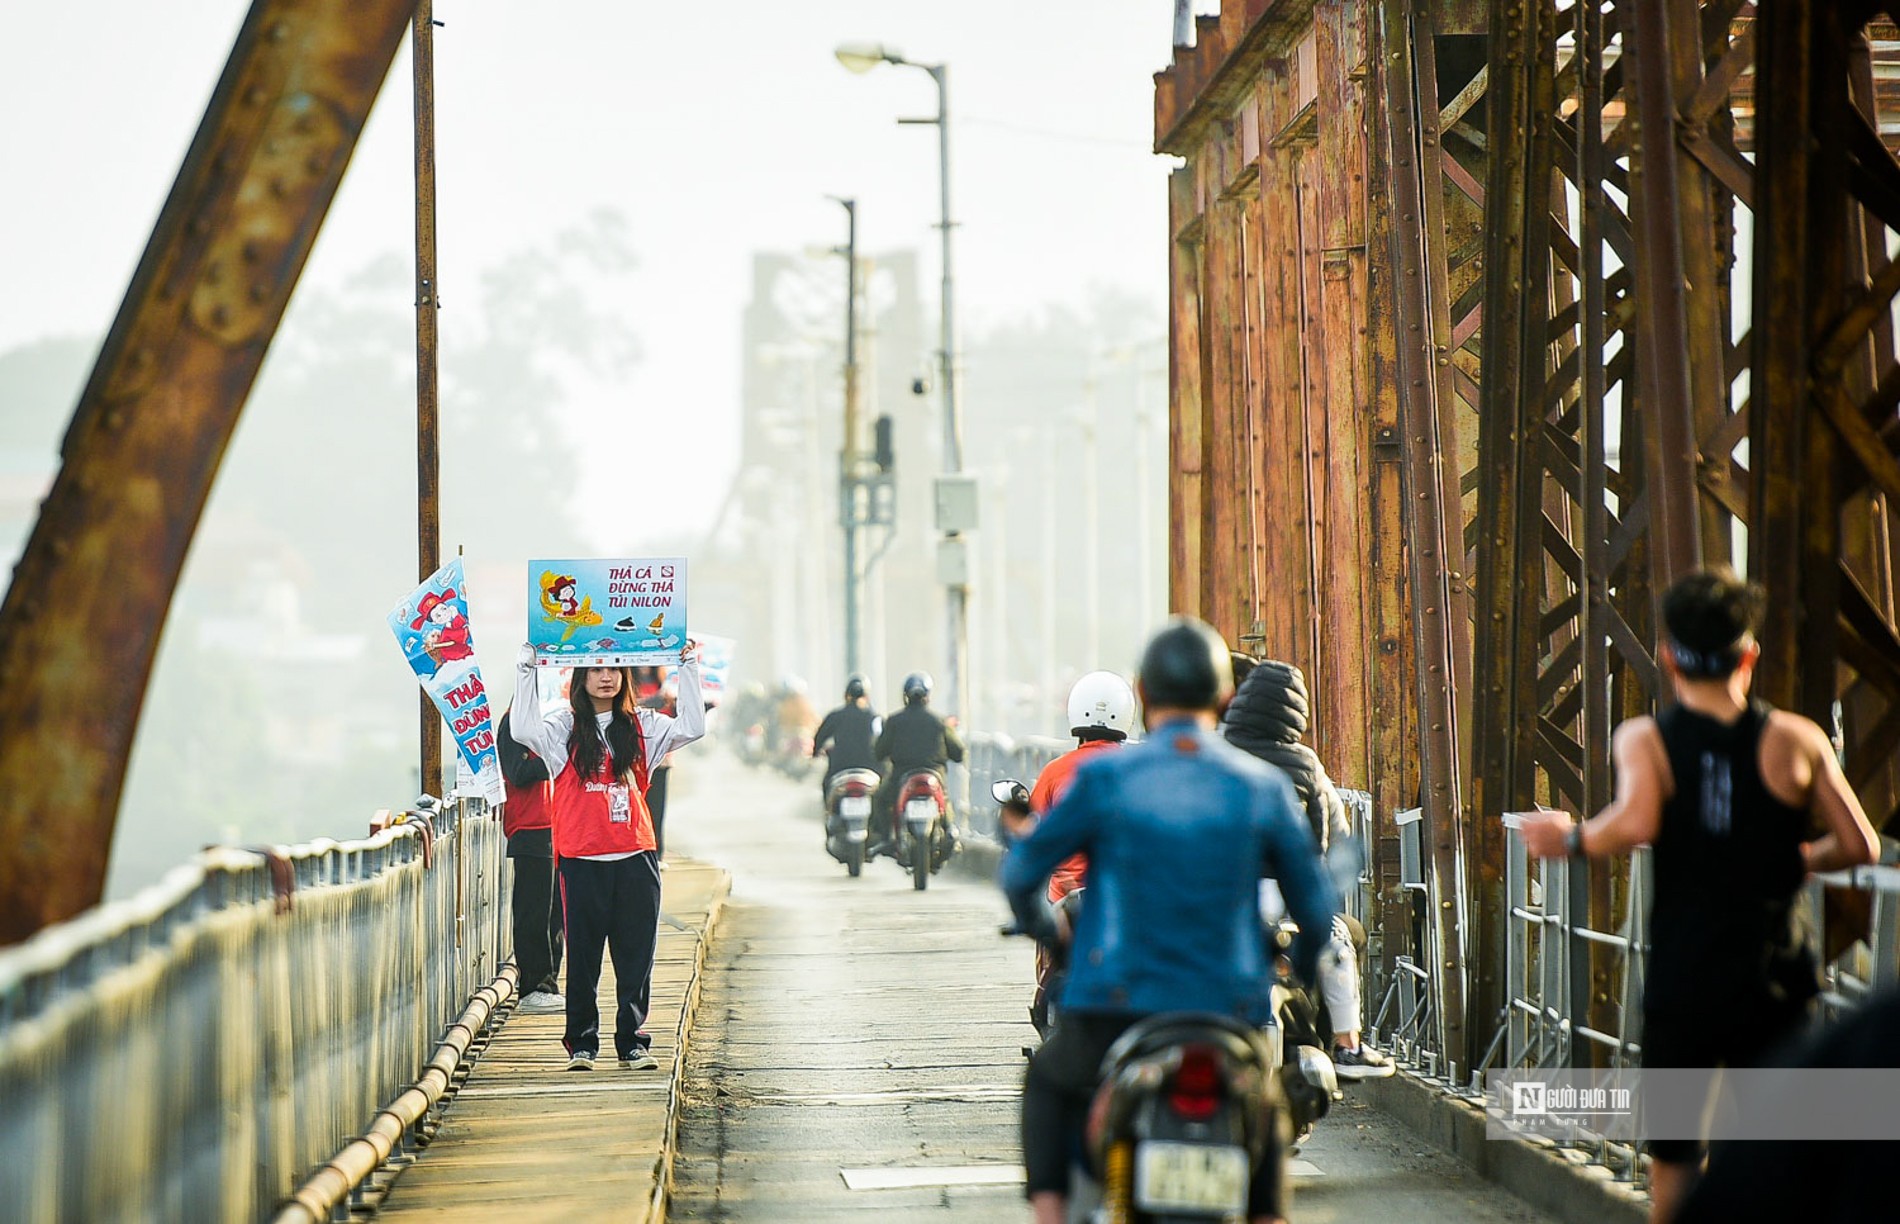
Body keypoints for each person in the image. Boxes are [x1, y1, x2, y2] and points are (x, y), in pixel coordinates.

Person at [1517, 567, 1880, 1224]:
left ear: (1667, 656)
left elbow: (1635, 822)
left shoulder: (1646, 740)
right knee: (1782, 1150)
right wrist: (1800, 858)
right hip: (1776, 979)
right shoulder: (1796, 739)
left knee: (1676, 1159)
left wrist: (1569, 840)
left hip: (1685, 982)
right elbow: (1861, 846)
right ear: (1749, 655)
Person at [1001, 617, 1340, 1224]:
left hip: (1115, 1000)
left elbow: (1022, 871)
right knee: (1262, 1117)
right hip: (1229, 1004)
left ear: (1144, 692)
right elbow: (1316, 908)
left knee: (1048, 1086)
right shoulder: (1261, 786)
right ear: (1224, 697)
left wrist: (1050, 932)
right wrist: (1300, 969)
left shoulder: (1104, 777)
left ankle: (1051, 1215)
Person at [510, 638, 706, 1073]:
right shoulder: (563, 728)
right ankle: (583, 1044)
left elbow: (694, 725)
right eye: (596, 669)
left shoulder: (643, 727)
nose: (605, 676)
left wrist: (688, 665)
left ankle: (632, 1043)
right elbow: (522, 730)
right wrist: (526, 670)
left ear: (625, 677)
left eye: (615, 669)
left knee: (636, 957)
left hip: (636, 856)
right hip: (581, 860)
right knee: (582, 960)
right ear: (580, 677)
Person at [1222, 653, 1391, 1079]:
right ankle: (1348, 1044)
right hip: (1285, 893)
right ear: (1296, 711)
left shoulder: (1216, 752)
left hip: (1223, 889)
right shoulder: (1305, 763)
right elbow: (1331, 833)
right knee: (1336, 944)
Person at [1028, 671, 1137, 903]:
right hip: (1121, 898)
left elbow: (1032, 830)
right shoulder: (1138, 771)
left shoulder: (1055, 771)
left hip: (1064, 899)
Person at [498, 708, 565, 1011]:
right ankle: (532, 988)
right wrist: (555, 760)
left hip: (560, 827)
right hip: (529, 828)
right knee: (533, 914)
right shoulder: (514, 723)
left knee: (556, 914)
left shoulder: (557, 722)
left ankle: (550, 985)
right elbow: (518, 772)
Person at [871, 671, 964, 857]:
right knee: (944, 801)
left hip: (901, 776)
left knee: (880, 800)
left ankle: (886, 839)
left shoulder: (894, 721)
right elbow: (959, 752)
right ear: (928, 696)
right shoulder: (940, 722)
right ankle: (951, 832)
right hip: (934, 775)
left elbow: (879, 751)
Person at [812, 674, 881, 800]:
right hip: (870, 769)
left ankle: (830, 816)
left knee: (827, 786)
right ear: (866, 697)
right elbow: (883, 743)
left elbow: (819, 738)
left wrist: (816, 752)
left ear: (846, 695)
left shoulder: (835, 716)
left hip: (839, 769)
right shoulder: (874, 718)